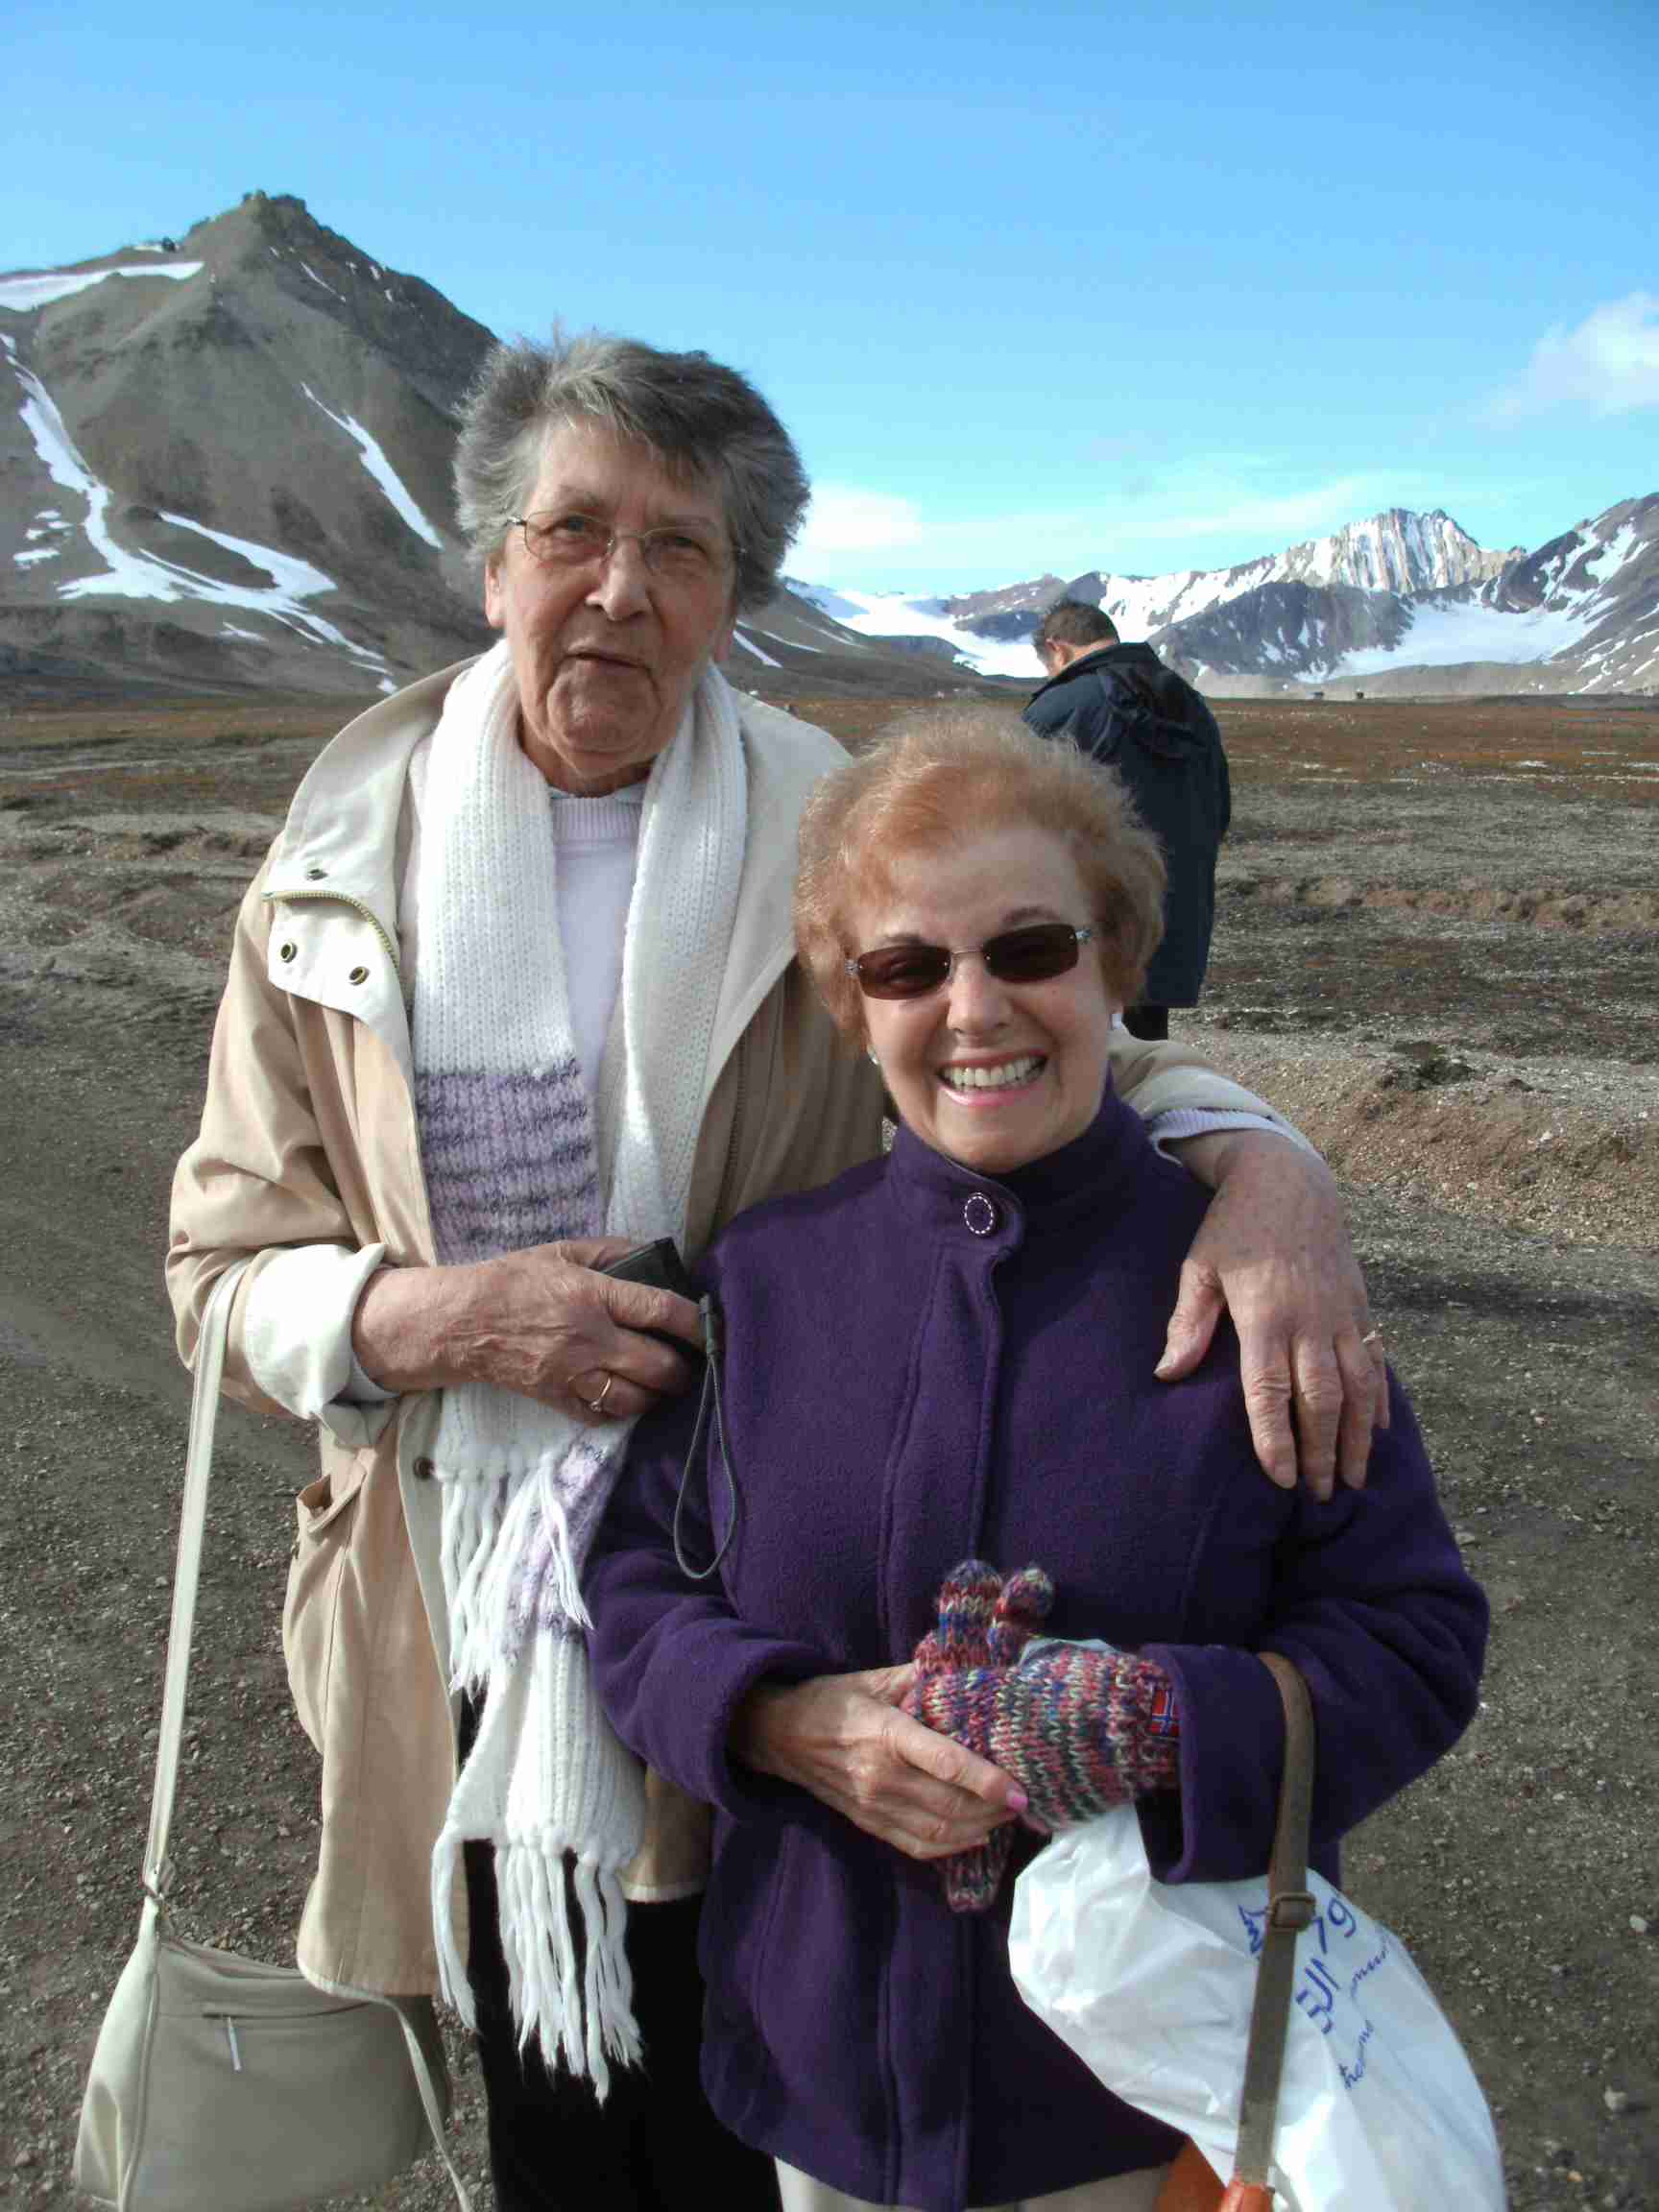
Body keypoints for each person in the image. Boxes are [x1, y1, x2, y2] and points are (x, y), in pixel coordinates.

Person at [168, 334, 1382, 2212]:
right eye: (574, 532)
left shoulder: (820, 809)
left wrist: (1276, 1176)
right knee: (561, 2120)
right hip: (468, 1611)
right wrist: (429, 1318)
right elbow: (217, 1266)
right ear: (493, 562)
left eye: (685, 548)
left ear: (736, 594)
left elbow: (1040, 1040)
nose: (622, 588)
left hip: (790, 1569)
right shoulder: (340, 858)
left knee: (781, 2092)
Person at [585, 708, 1487, 2212]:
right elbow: (631, 1593)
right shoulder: (763, 1283)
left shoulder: (1262, 1291)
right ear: (848, 1004)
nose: (973, 1010)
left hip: (1145, 2104)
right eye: (906, 967)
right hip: (828, 2087)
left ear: (1116, 959)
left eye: (1028, 950)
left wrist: (1160, 1723)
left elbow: (1416, 1639)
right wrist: (779, 1722)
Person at [1024, 600, 1229, 1043]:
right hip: (1174, 913)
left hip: (1088, 918)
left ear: (1057, 649)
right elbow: (1220, 807)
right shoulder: (1189, 702)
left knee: (1080, 1055)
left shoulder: (1061, 707)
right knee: (1147, 1049)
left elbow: (1014, 819)